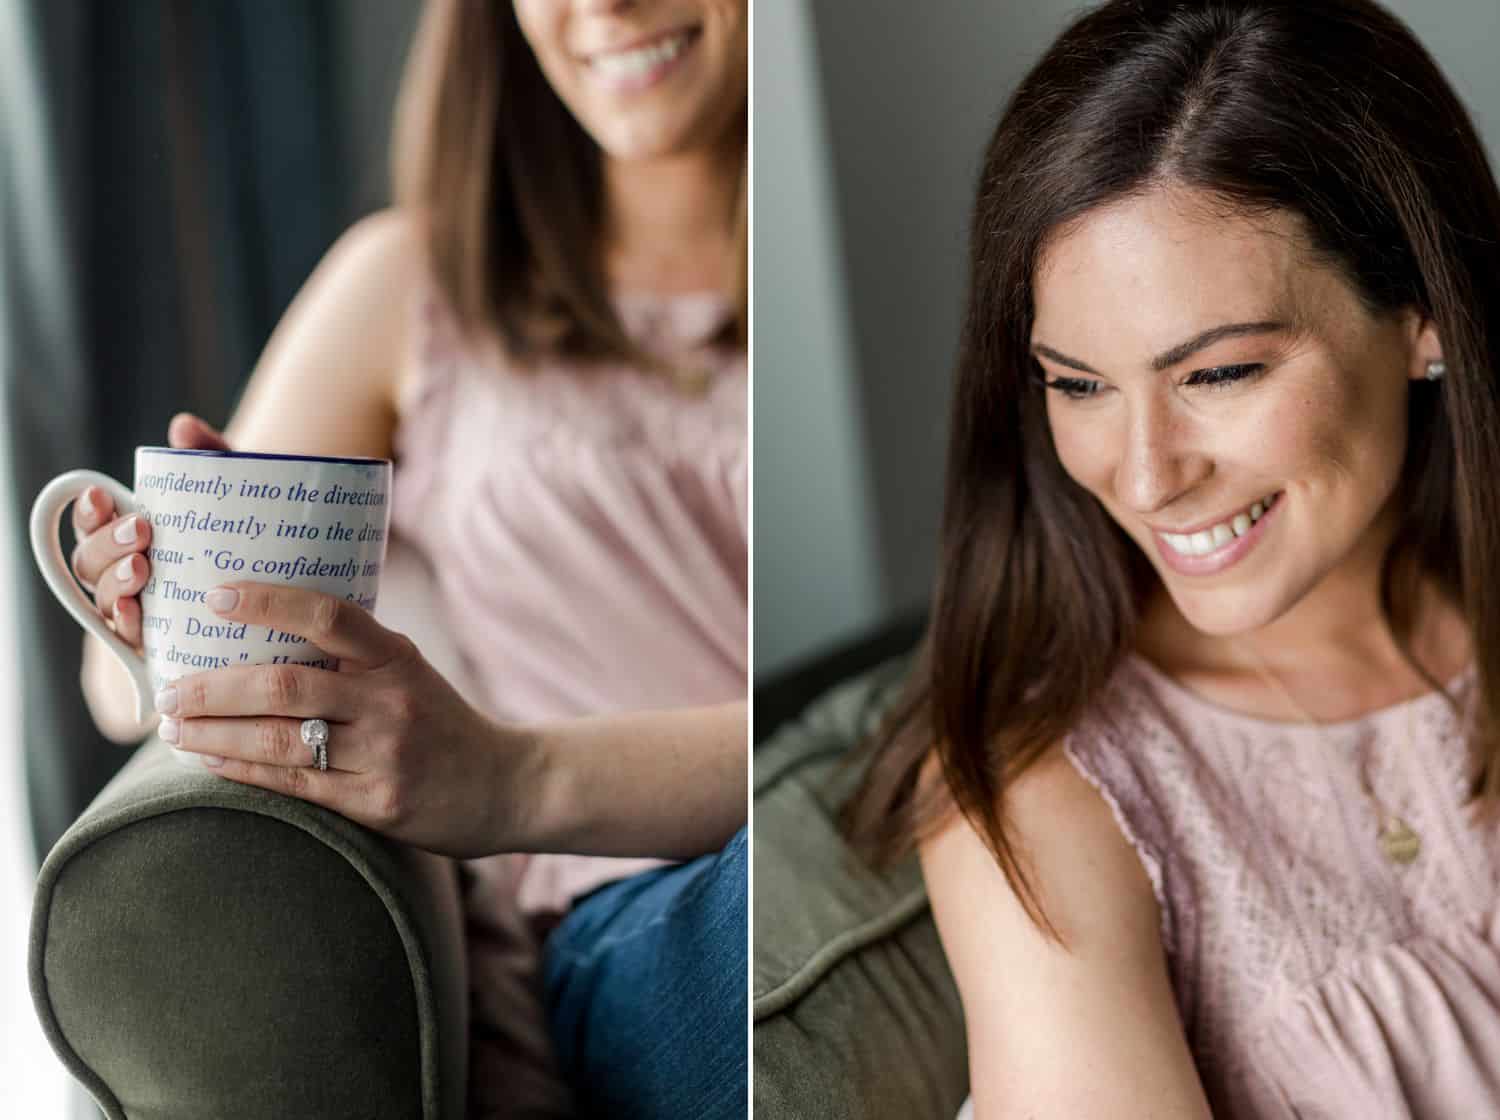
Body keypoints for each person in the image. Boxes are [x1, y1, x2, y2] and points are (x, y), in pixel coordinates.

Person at [68, 1, 747, 1117]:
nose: (607, 9)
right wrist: (142, 588)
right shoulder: (414, 284)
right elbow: (124, 687)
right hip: (639, 923)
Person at [844, 1, 1500, 1117]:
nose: (1143, 478)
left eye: (1219, 374)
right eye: (1080, 384)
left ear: (1422, 316)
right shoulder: (1052, 801)